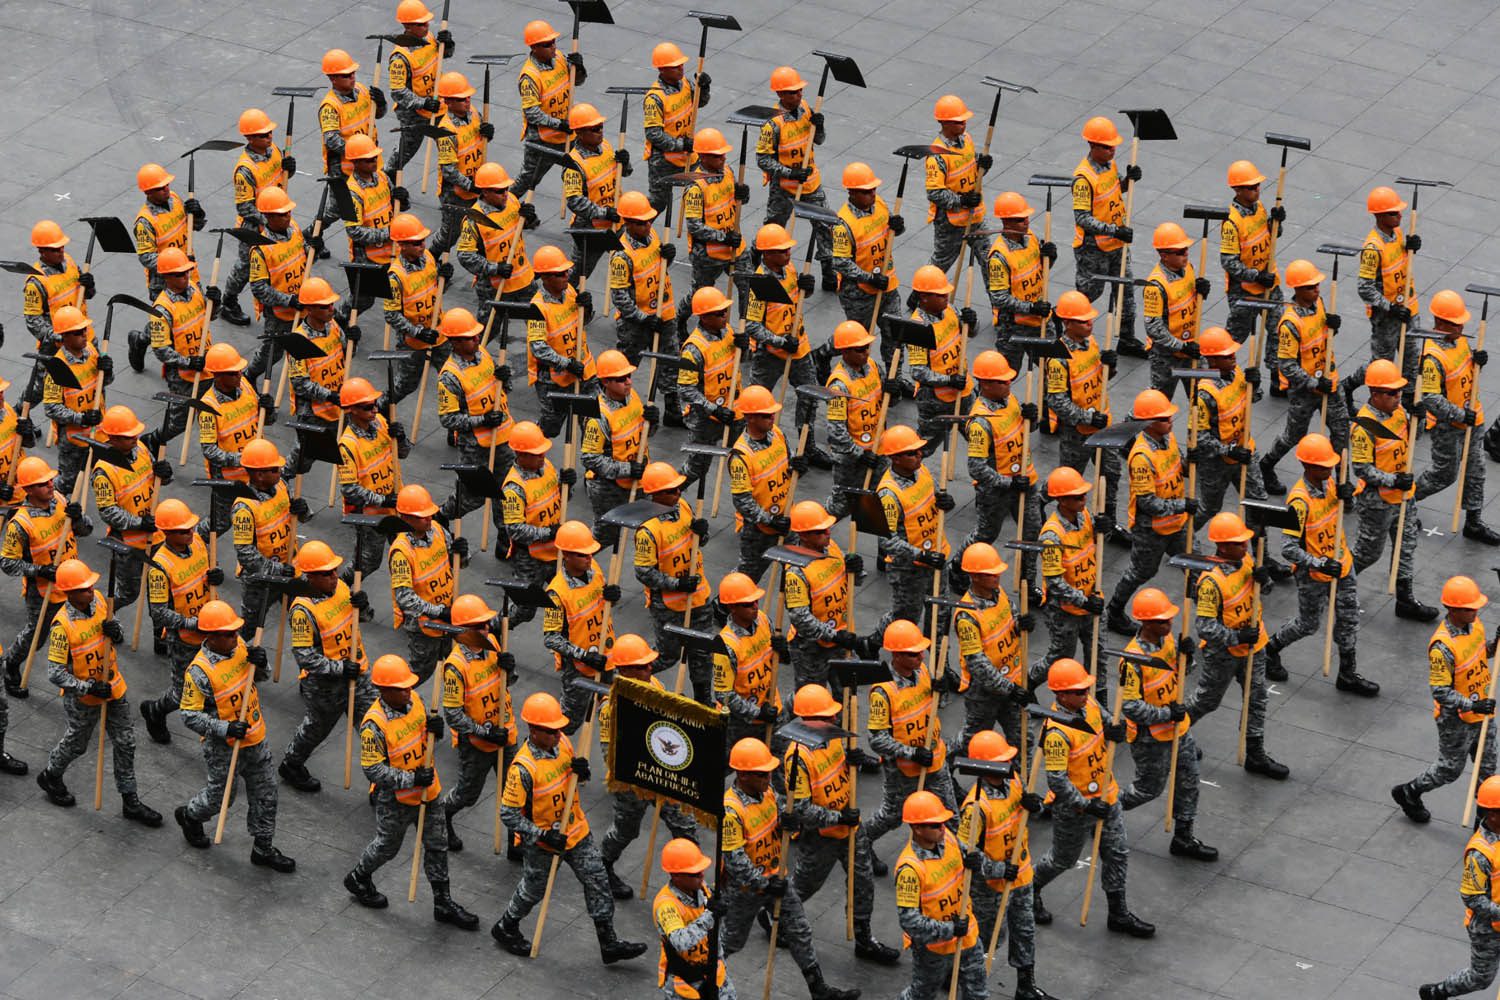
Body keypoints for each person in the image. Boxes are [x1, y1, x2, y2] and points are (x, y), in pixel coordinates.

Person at [492, 691, 648, 963]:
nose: (557, 734)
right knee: (533, 889)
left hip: (575, 830)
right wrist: (542, 834)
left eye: (558, 729)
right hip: (543, 842)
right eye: (550, 731)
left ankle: (608, 942)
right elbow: (508, 814)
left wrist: (582, 772)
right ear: (533, 730)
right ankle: (506, 926)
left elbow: (574, 782)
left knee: (597, 880)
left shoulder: (564, 743)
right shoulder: (523, 769)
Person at [718, 737, 859, 1000]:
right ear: (743, 775)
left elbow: (779, 820)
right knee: (730, 942)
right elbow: (735, 860)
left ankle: (818, 989)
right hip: (746, 890)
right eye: (762, 773)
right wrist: (764, 884)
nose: (769, 776)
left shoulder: (768, 791)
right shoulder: (731, 811)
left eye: (769, 771)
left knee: (800, 930)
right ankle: (701, 979)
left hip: (777, 878)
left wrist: (788, 821)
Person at [345, 654, 479, 928]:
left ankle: (443, 902)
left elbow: (424, 738)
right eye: (400, 688)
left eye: (408, 686)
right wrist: (410, 779)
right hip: (396, 799)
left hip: (429, 791)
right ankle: (359, 877)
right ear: (384, 690)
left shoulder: (416, 701)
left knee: (437, 844)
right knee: (387, 846)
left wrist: (436, 731)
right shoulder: (374, 725)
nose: (408, 691)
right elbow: (373, 771)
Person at [1027, 657, 1153, 938]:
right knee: (1063, 859)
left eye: (1086, 689)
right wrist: (1085, 805)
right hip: (1075, 809)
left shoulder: (1090, 706)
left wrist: (1116, 730)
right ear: (1060, 695)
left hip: (1106, 796)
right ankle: (1030, 889)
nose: (1085, 694)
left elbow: (1108, 722)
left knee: (1117, 852)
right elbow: (1057, 781)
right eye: (1078, 691)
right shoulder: (1057, 732)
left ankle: (1118, 912)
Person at [35, 558, 162, 827]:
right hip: (83, 697)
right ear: (69, 592)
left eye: (91, 586)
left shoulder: (102, 602)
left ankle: (131, 800)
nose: (90, 591)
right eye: (83, 589)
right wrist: (88, 687)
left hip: (114, 687)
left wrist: (116, 632)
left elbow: (115, 634)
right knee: (77, 744)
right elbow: (55, 673)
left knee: (126, 742)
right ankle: (51, 774)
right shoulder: (61, 627)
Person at [783, 683, 900, 965]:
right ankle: (775, 916)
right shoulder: (797, 757)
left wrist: (852, 761)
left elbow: (837, 769)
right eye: (827, 716)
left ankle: (864, 939)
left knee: (863, 882)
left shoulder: (833, 739)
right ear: (808, 720)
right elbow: (800, 808)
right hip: (822, 834)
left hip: (850, 826)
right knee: (805, 885)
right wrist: (837, 818)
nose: (834, 719)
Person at [173, 600, 294, 872]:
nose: (235, 636)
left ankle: (263, 848)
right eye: (228, 633)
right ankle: (190, 815)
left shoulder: (239, 648)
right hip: (223, 747)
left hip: (254, 736)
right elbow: (188, 715)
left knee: (266, 793)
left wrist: (260, 665)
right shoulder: (199, 672)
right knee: (221, 799)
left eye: (235, 631)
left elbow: (257, 678)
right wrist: (223, 728)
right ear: (211, 637)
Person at [1264, 433, 1380, 697]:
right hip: (1313, 574)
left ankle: (1347, 674)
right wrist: (1319, 563)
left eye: (1330, 464)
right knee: (1309, 624)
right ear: (1307, 466)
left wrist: (1347, 497)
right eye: (1323, 465)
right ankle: (1270, 649)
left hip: (1342, 563)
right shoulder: (1298, 502)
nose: (1329, 469)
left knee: (1349, 620)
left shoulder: (1331, 484)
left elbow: (1342, 512)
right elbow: (1288, 548)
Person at [1116, 588, 1216, 861]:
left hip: (1178, 728)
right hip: (1150, 737)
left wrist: (1188, 657)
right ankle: (1106, 810)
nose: (1169, 624)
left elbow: (1183, 673)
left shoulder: (1169, 639)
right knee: (1148, 789)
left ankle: (1183, 836)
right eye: (1162, 621)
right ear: (1146, 623)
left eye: (1169, 620)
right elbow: (1131, 706)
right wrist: (1164, 715)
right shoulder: (1132, 660)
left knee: (1190, 780)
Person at [1188, 511, 1288, 779]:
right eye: (1239, 543)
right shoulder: (1211, 581)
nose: (1245, 546)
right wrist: (1236, 637)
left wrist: (1264, 578)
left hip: (1255, 647)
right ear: (1222, 546)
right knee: (1207, 700)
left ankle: (1255, 754)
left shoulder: (1246, 561)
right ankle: (1175, 732)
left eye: (1245, 541)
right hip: (1224, 652)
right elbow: (1205, 627)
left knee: (1257, 698)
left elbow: (1263, 592)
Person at [597, 634, 698, 894]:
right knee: (626, 831)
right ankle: (602, 866)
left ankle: (686, 879)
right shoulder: (612, 706)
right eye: (642, 666)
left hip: (662, 773)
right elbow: (610, 753)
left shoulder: (653, 683)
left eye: (649, 663)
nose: (650, 668)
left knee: (685, 826)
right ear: (625, 670)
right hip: (632, 781)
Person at [1392, 576, 1498, 825]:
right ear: (1452, 609)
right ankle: (1409, 792)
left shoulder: (1476, 625)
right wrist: (1472, 705)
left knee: (1487, 768)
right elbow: (1440, 691)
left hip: (1483, 708)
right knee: (1450, 769)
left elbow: (1482, 654)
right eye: (1469, 608)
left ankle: (1485, 825)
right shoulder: (1442, 647)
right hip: (1457, 718)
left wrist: (1496, 645)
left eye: (1476, 607)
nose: (1475, 611)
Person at [957, 731, 1055, 1000]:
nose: (1008, 765)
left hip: (1021, 874)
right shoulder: (976, 806)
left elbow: (1023, 813)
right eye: (1001, 761)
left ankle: (1026, 985)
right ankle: (956, 974)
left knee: (1025, 931)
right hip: (990, 887)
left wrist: (1034, 806)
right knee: (987, 938)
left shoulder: (1014, 783)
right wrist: (999, 870)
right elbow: (966, 854)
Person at [276, 540, 375, 794]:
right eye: (327, 573)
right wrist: (340, 669)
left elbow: (359, 620)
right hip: (325, 686)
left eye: (334, 571)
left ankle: (381, 784)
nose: (334, 576)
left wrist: (363, 607)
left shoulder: (341, 587)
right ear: (310, 578)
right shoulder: (302, 610)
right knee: (316, 729)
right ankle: (292, 763)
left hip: (358, 675)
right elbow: (304, 657)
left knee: (374, 727)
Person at [863, 620, 958, 862]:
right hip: (903, 770)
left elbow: (933, 706)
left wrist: (941, 689)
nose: (920, 657)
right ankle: (861, 843)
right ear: (896, 655)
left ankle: (955, 859)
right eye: (913, 654)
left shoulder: (925, 671)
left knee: (949, 816)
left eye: (921, 652)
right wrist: (911, 753)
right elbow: (876, 739)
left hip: (935, 759)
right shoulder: (883, 691)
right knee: (893, 815)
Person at [1349, 360, 1435, 619]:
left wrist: (1418, 418)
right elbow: (1361, 469)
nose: (1398, 397)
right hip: (1378, 500)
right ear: (1375, 394)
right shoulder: (1365, 426)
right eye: (1391, 393)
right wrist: (1392, 480)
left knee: (1406, 546)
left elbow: (1412, 439)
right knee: (1368, 553)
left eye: (1399, 392)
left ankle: (1405, 599)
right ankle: (1339, 584)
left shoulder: (1399, 413)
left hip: (1404, 496)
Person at [1415, 289, 1500, 544]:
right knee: (1444, 474)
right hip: (1449, 426)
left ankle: (1473, 522)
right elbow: (1430, 398)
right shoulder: (1432, 357)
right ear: (1441, 323)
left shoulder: (1459, 341)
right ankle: (1404, 501)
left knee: (1476, 471)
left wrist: (1477, 362)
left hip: (1473, 418)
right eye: (1456, 323)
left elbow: (1464, 375)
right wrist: (1461, 414)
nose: (1462, 327)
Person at [1105, 389, 1193, 636]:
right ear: (1149, 423)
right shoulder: (1142, 457)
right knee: (1141, 571)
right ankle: (1114, 611)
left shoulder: (1169, 438)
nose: (1170, 420)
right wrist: (1183, 505)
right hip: (1151, 527)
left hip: (1177, 522)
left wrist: (1190, 464)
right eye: (1164, 418)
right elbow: (1147, 502)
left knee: (1195, 566)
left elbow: (1178, 466)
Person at [1258, 259, 1349, 495]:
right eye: (1310, 287)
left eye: (1317, 285)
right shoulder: (1290, 322)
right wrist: (1313, 383)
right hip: (1305, 390)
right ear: (1297, 289)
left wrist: (1334, 326)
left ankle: (1343, 481)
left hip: (1330, 381)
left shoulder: (1318, 303)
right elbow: (1286, 365)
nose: (1316, 290)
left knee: (1341, 432)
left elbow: (1323, 336)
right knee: (1294, 435)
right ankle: (1266, 465)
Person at [437, 594, 517, 852]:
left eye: (486, 623)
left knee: (517, 794)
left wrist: (509, 669)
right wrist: (485, 732)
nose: (487, 628)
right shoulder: (456, 667)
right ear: (463, 631)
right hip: (476, 744)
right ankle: (441, 818)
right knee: (467, 795)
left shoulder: (492, 642)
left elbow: (507, 682)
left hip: (506, 734)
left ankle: (516, 843)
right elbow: (453, 714)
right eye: (480, 625)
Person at [0, 456, 86, 697]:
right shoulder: (20, 524)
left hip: (76, 582)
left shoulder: (60, 500)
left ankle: (77, 683)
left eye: (49, 480)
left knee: (77, 634)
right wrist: (39, 571)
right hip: (44, 591)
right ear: (28, 489)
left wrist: (78, 518)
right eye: (41, 484)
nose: (50, 485)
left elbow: (85, 530)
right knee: (36, 636)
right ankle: (11, 664)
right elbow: (7, 563)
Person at [957, 350, 1040, 595]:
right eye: (1001, 381)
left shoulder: (1012, 400)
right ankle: (959, 568)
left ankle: (1028, 584)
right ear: (985, 385)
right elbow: (976, 467)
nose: (1008, 384)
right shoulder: (980, 423)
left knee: (1032, 531)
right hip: (997, 491)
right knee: (986, 535)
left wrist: (1032, 419)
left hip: (1026, 479)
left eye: (1007, 379)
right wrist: (1008, 483)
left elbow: (1024, 431)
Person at [892, 789, 985, 1000]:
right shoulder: (910, 869)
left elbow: (970, 855)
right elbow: (910, 922)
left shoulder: (949, 839)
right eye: (935, 825)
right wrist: (949, 930)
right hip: (933, 949)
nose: (943, 828)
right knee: (922, 994)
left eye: (943, 822)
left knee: (977, 993)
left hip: (968, 935)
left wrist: (975, 860)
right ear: (917, 828)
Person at [139, 498, 217, 745]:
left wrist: (217, 575)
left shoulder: (201, 545)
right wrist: (193, 623)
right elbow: (159, 614)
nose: (190, 533)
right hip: (185, 639)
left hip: (212, 629)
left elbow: (208, 575)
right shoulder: (159, 567)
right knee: (183, 692)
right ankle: (156, 710)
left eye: (191, 528)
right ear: (167, 533)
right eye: (183, 531)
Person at [1045, 291, 1122, 536]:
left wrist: (1111, 365)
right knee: (1068, 478)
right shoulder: (1059, 357)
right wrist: (1087, 418)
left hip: (1103, 425)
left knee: (1111, 472)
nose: (1089, 323)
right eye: (1082, 321)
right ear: (1067, 323)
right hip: (1077, 432)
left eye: (1089, 319)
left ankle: (1109, 522)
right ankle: (1044, 505)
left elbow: (1100, 378)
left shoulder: (1092, 344)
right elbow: (1056, 400)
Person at [634, 462, 713, 703]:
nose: (677, 493)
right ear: (654, 494)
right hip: (668, 605)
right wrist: (677, 585)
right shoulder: (648, 530)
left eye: (678, 488)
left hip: (698, 597)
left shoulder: (686, 508)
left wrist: (703, 533)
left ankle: (703, 701)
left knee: (703, 655)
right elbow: (643, 572)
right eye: (670, 491)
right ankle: (630, 677)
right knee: (668, 656)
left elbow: (698, 543)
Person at [1418, 775, 1500, 1000]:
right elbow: (1472, 899)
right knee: (1480, 979)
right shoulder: (1480, 853)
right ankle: (1437, 992)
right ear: (1493, 815)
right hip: (1489, 928)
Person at [745, 225, 823, 458]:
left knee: (809, 398)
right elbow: (751, 325)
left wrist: (806, 288)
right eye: (781, 251)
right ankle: (748, 441)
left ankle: (806, 447)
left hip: (799, 348)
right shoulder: (760, 283)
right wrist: (778, 342)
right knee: (756, 401)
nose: (788, 254)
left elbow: (796, 299)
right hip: (769, 354)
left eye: (788, 250)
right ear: (767, 254)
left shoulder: (789, 268)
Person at [950, 543, 1033, 757]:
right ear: (974, 576)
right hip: (984, 694)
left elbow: (1010, 616)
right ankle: (943, 764)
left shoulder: (998, 593)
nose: (997, 577)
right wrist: (1011, 689)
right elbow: (978, 664)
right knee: (972, 742)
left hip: (1012, 681)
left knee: (1023, 740)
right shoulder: (967, 616)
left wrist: (1020, 624)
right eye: (990, 574)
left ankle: (1017, 785)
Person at [435, 307, 514, 526]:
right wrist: (483, 420)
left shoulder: (484, 354)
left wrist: (505, 378)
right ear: (455, 342)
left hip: (503, 436)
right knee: (474, 497)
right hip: (475, 446)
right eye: (470, 337)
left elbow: (502, 389)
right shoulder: (449, 377)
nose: (477, 338)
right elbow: (448, 419)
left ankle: (505, 537)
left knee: (506, 488)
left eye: (476, 334)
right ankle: (443, 515)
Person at [1071, 117, 1143, 356]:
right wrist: (1114, 230)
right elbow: (1082, 218)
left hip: (1117, 243)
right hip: (1093, 247)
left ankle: (1127, 338)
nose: (1113, 150)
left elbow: (1113, 191)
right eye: (1107, 146)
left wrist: (1127, 181)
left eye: (1114, 146)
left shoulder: (1110, 166)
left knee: (1126, 291)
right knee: (1089, 292)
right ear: (1093, 146)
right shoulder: (1083, 179)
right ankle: (1066, 321)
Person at [757, 67, 833, 290]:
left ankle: (829, 273)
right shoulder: (773, 123)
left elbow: (818, 140)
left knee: (826, 226)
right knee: (774, 228)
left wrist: (819, 126)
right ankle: (759, 259)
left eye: (799, 91)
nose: (798, 96)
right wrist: (790, 173)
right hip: (784, 186)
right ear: (780, 95)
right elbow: (762, 159)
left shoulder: (807, 109)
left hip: (811, 183)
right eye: (792, 93)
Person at [875, 425, 953, 636]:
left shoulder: (922, 471)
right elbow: (887, 541)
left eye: (919, 450)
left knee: (940, 611)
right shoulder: (888, 495)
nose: (919, 455)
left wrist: (945, 501)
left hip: (936, 555)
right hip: (908, 569)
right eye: (911, 453)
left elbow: (935, 495)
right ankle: (874, 641)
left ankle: (938, 662)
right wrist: (921, 555)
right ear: (895, 458)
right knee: (905, 618)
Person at [90, 404, 170, 611]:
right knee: (129, 593)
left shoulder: (141, 449)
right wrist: (139, 523)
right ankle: (102, 614)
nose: (135, 439)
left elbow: (156, 480)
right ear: (113, 439)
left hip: (157, 535)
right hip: (129, 544)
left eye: (135, 434)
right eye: (128, 436)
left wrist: (165, 473)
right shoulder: (103, 471)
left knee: (162, 589)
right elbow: (107, 511)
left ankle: (160, 637)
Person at [783, 500, 869, 690]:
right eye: (820, 531)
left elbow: (850, 583)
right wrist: (835, 636)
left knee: (847, 696)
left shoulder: (832, 548)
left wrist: (856, 571)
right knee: (813, 702)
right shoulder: (796, 572)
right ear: (803, 535)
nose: (827, 533)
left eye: (827, 528)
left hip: (840, 639)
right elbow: (801, 619)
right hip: (810, 649)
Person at [544, 521, 620, 732]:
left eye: (590, 553)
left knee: (616, 710)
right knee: (568, 722)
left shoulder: (594, 569)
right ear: (566, 555)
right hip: (579, 668)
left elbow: (601, 602)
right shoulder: (557, 593)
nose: (589, 558)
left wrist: (612, 596)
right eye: (582, 555)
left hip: (608, 656)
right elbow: (551, 638)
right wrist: (584, 656)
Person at [1190, 327, 1270, 522]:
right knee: (1209, 507)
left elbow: (1253, 399)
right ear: (1213, 360)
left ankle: (1261, 550)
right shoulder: (1204, 393)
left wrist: (1255, 384)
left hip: (1244, 447)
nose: (1233, 357)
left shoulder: (1236, 373)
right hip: (1216, 461)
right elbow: (1199, 437)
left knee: (1258, 502)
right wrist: (1228, 451)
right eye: (1227, 355)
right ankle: (1183, 539)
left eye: (1233, 352)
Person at [230, 439, 308, 640]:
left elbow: (300, 516)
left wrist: (303, 509)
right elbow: (246, 554)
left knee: (307, 614)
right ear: (259, 475)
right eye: (274, 469)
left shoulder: (282, 485)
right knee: (250, 631)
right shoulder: (244, 508)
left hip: (291, 567)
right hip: (261, 581)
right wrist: (278, 570)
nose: (280, 471)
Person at [607, 192, 679, 401]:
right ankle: (614, 400)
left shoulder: (655, 236)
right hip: (636, 324)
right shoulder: (622, 255)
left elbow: (659, 269)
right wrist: (644, 318)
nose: (647, 226)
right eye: (640, 223)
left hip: (664, 314)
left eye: (648, 221)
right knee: (626, 364)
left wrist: (669, 256)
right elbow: (619, 297)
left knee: (671, 361)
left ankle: (672, 406)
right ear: (628, 223)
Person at [337, 377, 410, 583]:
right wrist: (383, 500)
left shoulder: (381, 423)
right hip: (372, 517)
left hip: (398, 506)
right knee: (368, 562)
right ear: (353, 410)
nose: (375, 410)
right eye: (368, 407)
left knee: (409, 552)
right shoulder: (347, 445)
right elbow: (349, 490)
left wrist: (401, 437)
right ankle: (339, 587)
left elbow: (403, 454)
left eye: (375, 404)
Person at [388, 485, 463, 682]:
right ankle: (397, 700)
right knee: (419, 673)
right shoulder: (401, 553)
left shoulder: (438, 530)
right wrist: (438, 611)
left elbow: (457, 564)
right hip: (424, 625)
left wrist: (462, 553)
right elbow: (405, 598)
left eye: (429, 514)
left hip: (449, 613)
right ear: (406, 518)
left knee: (457, 665)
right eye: (422, 516)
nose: (429, 518)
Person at [832, 164, 903, 362]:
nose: (872, 194)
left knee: (895, 335)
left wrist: (898, 227)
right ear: (852, 193)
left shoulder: (879, 204)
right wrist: (869, 278)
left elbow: (888, 232)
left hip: (887, 283)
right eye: (866, 191)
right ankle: (825, 353)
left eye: (873, 189)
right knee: (856, 339)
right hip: (858, 292)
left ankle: (893, 377)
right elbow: (840, 262)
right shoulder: (842, 224)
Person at [581, 349, 650, 547]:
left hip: (638, 477)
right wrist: (627, 469)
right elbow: (589, 458)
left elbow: (642, 434)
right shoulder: (599, 415)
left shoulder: (633, 397)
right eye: (621, 379)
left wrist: (651, 423)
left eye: (628, 376)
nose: (628, 381)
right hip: (607, 488)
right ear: (606, 383)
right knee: (606, 537)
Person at [1036, 466, 1102, 673]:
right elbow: (1055, 582)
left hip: (1092, 597)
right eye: (1078, 497)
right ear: (1062, 500)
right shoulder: (1051, 536)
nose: (1083, 499)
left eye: (1083, 495)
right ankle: (1029, 683)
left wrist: (1103, 531)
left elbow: (1093, 546)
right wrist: (1084, 601)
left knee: (1098, 656)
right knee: (1061, 658)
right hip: (1064, 610)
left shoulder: (1085, 517)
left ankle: (1099, 699)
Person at [729, 384, 797, 584]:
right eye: (766, 415)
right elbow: (742, 501)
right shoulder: (741, 456)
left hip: (786, 518)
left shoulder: (777, 433)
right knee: (748, 577)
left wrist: (797, 465)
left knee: (796, 567)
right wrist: (769, 520)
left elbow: (789, 463)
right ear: (750, 417)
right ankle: (724, 606)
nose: (772, 418)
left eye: (772, 414)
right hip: (758, 530)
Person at [283, 277, 352, 477]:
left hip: (339, 402)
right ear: (310, 309)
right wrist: (329, 396)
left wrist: (351, 340)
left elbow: (345, 356)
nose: (331, 309)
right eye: (325, 306)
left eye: (331, 304)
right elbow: (300, 384)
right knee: (302, 461)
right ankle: (281, 485)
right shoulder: (298, 341)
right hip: (313, 411)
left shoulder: (335, 327)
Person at [527, 244, 596, 437]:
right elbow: (538, 348)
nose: (566, 276)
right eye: (560, 274)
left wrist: (588, 308)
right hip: (553, 379)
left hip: (585, 371)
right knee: (550, 428)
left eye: (566, 272)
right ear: (546, 278)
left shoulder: (571, 292)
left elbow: (583, 323)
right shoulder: (538, 308)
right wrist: (566, 364)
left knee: (593, 423)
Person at [198, 344, 269, 535]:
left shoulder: (245, 385)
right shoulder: (208, 407)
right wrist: (243, 459)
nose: (239, 375)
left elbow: (265, 421)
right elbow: (210, 451)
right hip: (229, 478)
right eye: (233, 373)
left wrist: (268, 410)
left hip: (257, 471)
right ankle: (194, 542)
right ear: (218, 376)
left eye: (239, 371)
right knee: (221, 523)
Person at [824, 320, 891, 520]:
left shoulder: (872, 367)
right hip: (850, 458)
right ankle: (811, 533)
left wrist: (892, 391)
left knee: (883, 500)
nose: (866, 353)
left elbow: (886, 403)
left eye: (867, 348)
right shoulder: (839, 385)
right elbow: (836, 430)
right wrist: (859, 453)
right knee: (841, 506)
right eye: (860, 349)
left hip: (878, 448)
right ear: (845, 352)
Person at [456, 162, 537, 327]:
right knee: (488, 330)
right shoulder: (474, 219)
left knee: (540, 323)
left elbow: (523, 225)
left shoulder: (512, 201)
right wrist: (495, 268)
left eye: (506, 189)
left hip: (524, 279)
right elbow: (464, 255)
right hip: (494, 287)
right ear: (485, 192)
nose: (505, 194)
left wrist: (530, 218)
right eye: (500, 191)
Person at [906, 264, 976, 456]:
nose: (946, 297)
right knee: (923, 449)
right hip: (935, 400)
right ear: (924, 297)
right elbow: (918, 372)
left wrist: (972, 322)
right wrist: (949, 381)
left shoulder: (950, 309)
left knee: (981, 438)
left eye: (946, 293)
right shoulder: (917, 328)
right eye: (940, 295)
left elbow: (970, 333)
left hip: (964, 391)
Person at [1219, 160, 1282, 365]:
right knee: (1236, 335)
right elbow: (1228, 262)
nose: (1257, 190)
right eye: (1251, 187)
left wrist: (1276, 223)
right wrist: (1256, 276)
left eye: (1258, 186)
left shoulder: (1260, 208)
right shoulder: (1232, 221)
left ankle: (1277, 376)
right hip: (1244, 289)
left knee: (1278, 330)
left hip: (1270, 283)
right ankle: (1221, 369)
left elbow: (1271, 236)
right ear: (1237, 189)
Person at [146, 246, 211, 445]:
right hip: (182, 375)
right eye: (179, 274)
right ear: (167, 277)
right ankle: (153, 441)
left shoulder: (195, 290)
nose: (185, 277)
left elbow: (210, 318)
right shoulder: (161, 309)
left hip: (208, 364)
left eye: (186, 272)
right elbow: (160, 350)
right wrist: (188, 362)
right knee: (180, 422)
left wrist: (215, 303)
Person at [653, 838, 733, 1000]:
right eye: (695, 873)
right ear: (676, 876)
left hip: (715, 976)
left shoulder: (702, 890)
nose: (702, 875)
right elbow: (681, 942)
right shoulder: (667, 906)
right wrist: (710, 915)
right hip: (686, 984)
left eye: (701, 870)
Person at [1356, 185, 1420, 387]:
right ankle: (1350, 385)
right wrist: (1390, 307)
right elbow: (1364, 287)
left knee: (1411, 360)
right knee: (1382, 364)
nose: (1399, 216)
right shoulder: (1373, 248)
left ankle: (1409, 401)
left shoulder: (1398, 233)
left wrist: (1412, 247)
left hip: (1408, 307)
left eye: (1399, 212)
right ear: (1380, 216)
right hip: (1387, 317)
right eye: (1393, 213)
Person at [41, 305, 109, 497]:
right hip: (73, 438)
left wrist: (108, 370)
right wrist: (81, 418)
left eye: (84, 330)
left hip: (100, 430)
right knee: (68, 483)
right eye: (78, 332)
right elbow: (51, 408)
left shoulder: (92, 351)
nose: (84, 335)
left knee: (105, 469)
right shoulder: (57, 368)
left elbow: (105, 382)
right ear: (65, 337)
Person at [21, 220, 90, 404]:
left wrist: (89, 285)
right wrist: (58, 336)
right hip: (55, 344)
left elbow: (86, 294)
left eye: (61, 247)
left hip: (81, 333)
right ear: (42, 251)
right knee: (40, 389)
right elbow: (33, 321)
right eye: (55, 249)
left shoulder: (70, 261)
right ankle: (18, 419)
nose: (61, 251)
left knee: (91, 374)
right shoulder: (36, 282)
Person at [677, 286, 739, 486]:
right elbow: (685, 389)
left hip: (734, 410)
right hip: (705, 420)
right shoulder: (693, 349)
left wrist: (744, 349)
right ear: (704, 317)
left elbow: (736, 363)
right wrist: (714, 410)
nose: (724, 316)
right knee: (697, 468)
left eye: (725, 311)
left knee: (745, 456)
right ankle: (665, 495)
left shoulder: (728, 331)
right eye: (719, 313)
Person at [244, 186, 308, 381]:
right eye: (282, 214)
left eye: (288, 212)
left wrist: (312, 245)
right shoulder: (260, 250)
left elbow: (303, 251)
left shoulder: (295, 228)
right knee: (272, 353)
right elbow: (259, 289)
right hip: (280, 314)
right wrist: (289, 300)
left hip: (305, 302)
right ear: (268, 217)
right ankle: (250, 375)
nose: (288, 216)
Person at [714, 572, 784, 749]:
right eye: (747, 604)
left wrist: (784, 649)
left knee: (775, 764)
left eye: (756, 601)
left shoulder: (762, 619)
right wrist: (757, 713)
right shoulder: (725, 645)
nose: (754, 606)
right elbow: (724, 695)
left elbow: (776, 659)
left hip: (771, 706)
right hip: (741, 723)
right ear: (732, 608)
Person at [985, 191, 1053, 370]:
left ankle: (1047, 398)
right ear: (1006, 222)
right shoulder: (999, 257)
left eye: (1026, 217)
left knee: (1052, 366)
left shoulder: (1030, 238)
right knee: (1006, 372)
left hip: (1040, 319)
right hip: (1013, 324)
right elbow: (999, 298)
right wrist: (1030, 308)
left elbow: (1039, 272)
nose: (1026, 222)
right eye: (1021, 219)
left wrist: (1050, 258)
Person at [681, 127, 750, 302]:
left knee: (749, 290)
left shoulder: (728, 171)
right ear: (703, 157)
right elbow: (694, 227)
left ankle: (745, 327)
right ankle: (680, 320)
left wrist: (743, 194)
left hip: (735, 245)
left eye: (723, 154)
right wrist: (723, 238)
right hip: (708, 254)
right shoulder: (695, 187)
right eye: (718, 156)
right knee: (700, 295)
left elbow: (738, 201)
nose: (723, 158)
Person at [498, 421, 566, 599]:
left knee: (564, 598)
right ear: (521, 454)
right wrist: (548, 533)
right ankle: (499, 625)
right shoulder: (514, 488)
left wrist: (567, 485)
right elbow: (514, 530)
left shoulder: (547, 467)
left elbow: (561, 498)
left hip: (555, 549)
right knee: (525, 608)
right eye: (536, 454)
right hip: (529, 558)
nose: (542, 456)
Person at [513, 19, 579, 200]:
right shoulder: (530, 76)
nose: (553, 47)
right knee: (528, 179)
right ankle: (503, 207)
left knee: (583, 168)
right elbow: (532, 113)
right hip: (542, 139)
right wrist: (559, 124)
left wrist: (579, 68)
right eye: (547, 44)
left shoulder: (559, 58)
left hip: (567, 132)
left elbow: (577, 81)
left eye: (554, 42)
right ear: (534, 47)